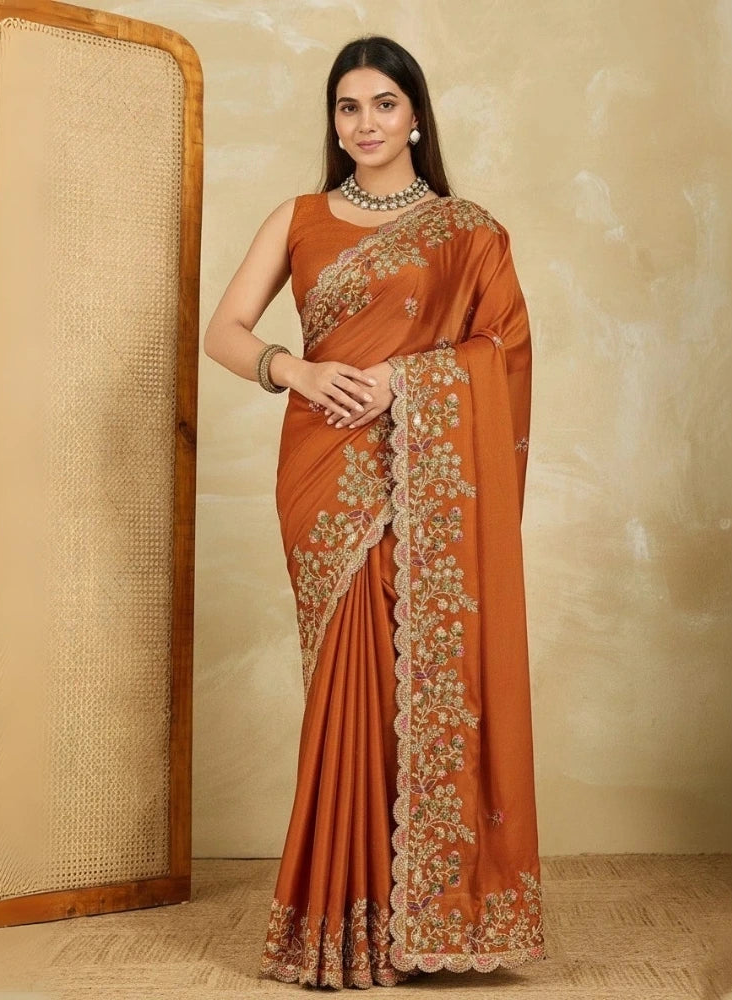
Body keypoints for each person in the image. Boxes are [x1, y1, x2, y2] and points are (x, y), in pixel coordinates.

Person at [204, 35, 544, 989]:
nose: (365, 123)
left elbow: (503, 351)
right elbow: (222, 331)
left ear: (416, 117)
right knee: (345, 683)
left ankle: (421, 919)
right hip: (322, 469)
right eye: (348, 107)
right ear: (335, 121)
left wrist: (404, 380)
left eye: (384, 105)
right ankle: (337, 919)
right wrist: (298, 368)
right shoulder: (300, 217)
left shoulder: (465, 228)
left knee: (413, 676)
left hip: (417, 473)